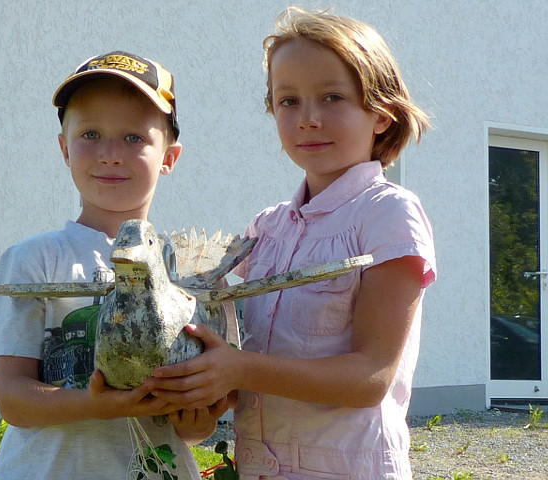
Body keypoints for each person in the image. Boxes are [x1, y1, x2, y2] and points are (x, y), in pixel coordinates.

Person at [146, 8, 437, 480]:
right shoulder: (267, 229)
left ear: (382, 114)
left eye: (332, 97)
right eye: (289, 101)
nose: (308, 119)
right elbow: (252, 368)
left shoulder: (388, 214)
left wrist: (237, 370)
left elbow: (370, 378)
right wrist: (201, 396)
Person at [0, 51, 226, 480]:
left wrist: (196, 420)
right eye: (90, 134)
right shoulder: (32, 260)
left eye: (134, 138)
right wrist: (95, 405)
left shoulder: (193, 271)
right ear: (64, 149)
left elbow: (200, 426)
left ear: (169, 157)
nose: (110, 154)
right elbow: (13, 398)